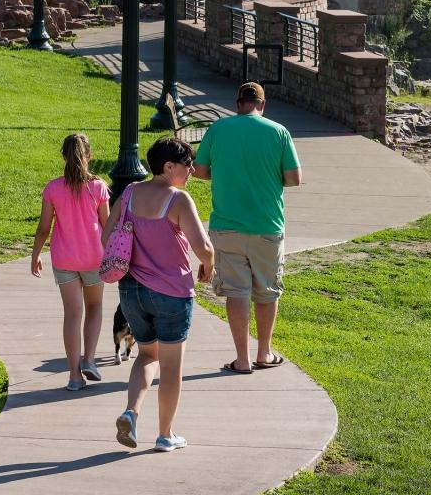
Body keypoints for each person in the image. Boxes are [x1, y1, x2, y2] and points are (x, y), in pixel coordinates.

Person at [107, 136, 213, 453]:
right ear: (168, 167)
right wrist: (210, 264)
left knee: (146, 355)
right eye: (187, 164)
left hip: (131, 292)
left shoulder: (128, 193)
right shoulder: (177, 200)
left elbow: (106, 234)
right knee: (171, 368)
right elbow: (203, 247)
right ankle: (165, 434)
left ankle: (131, 412)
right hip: (171, 294)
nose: (192, 170)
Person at [193, 83, 301, 376]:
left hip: (226, 227)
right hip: (268, 226)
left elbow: (199, 170)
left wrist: (225, 172)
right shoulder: (279, 132)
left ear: (238, 103)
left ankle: (241, 359)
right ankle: (264, 352)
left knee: (236, 292)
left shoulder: (218, 129)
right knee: (267, 291)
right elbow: (293, 178)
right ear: (262, 105)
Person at [31, 134, 111, 391]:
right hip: (94, 258)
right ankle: (89, 359)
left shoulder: (53, 188)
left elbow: (44, 228)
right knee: (95, 306)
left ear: (63, 156)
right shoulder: (98, 188)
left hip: (64, 258)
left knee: (72, 314)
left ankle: (74, 376)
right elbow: (107, 225)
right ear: (89, 156)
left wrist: (35, 255)